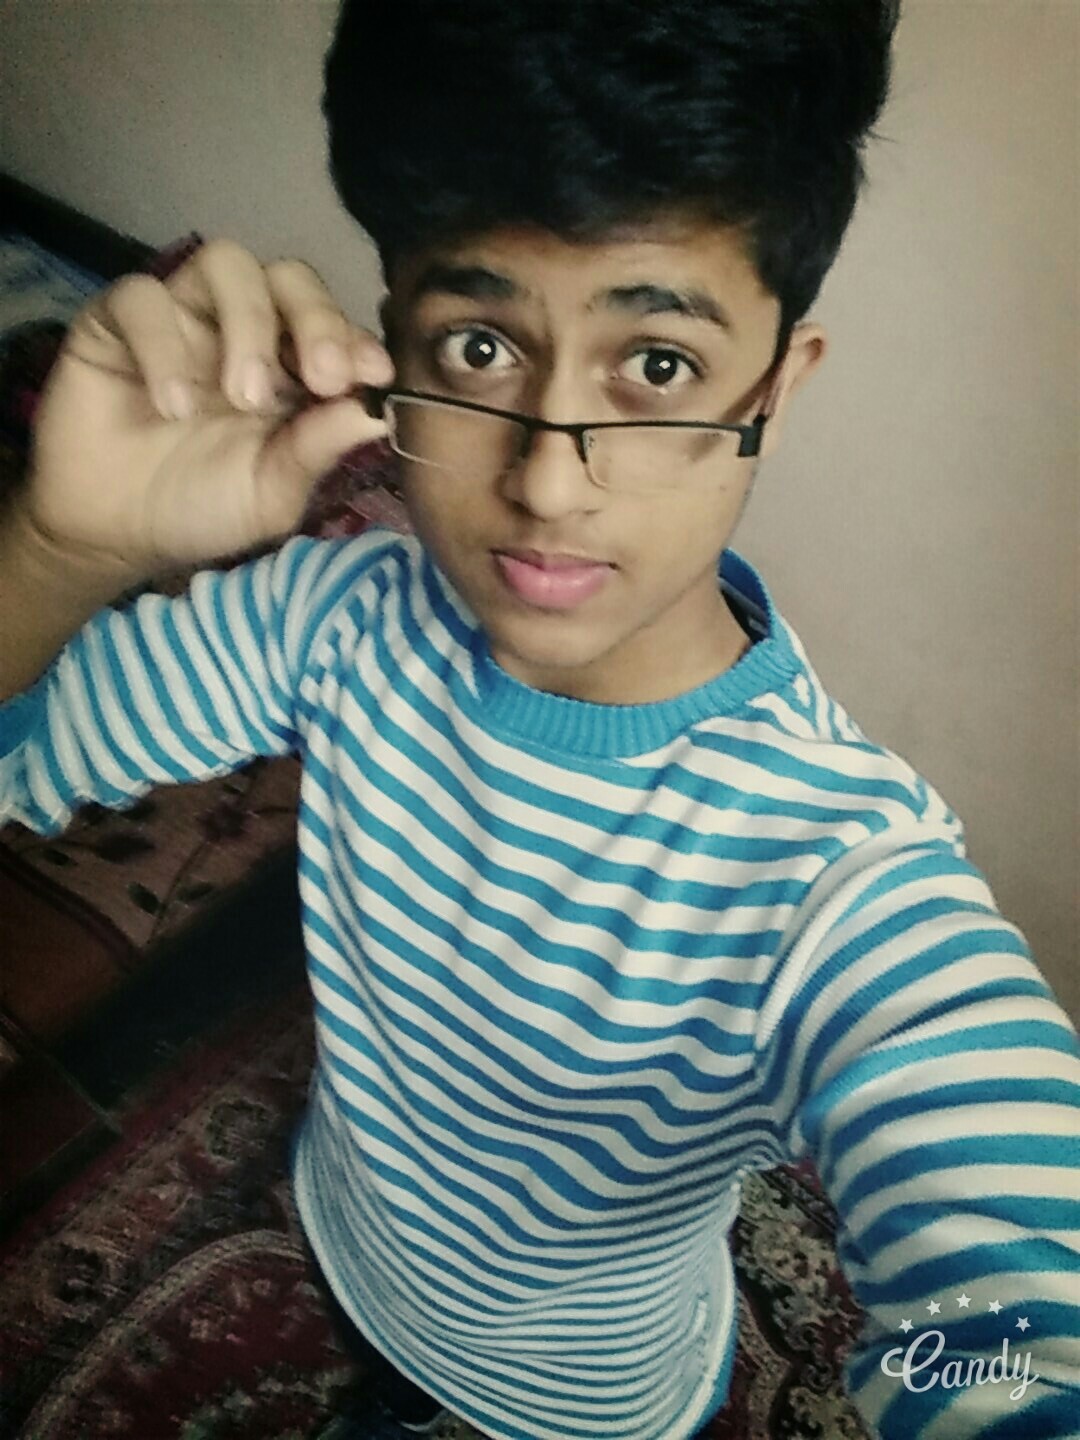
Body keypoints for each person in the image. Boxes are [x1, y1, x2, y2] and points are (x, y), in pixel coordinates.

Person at [1, 1, 1078, 1436]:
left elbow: (1020, 1346)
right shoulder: (335, 617)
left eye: (658, 365)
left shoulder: (831, 877)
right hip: (335, 1223)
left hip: (589, 1401)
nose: (549, 485)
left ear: (776, 388)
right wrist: (61, 550)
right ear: (391, 343)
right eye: (479, 347)